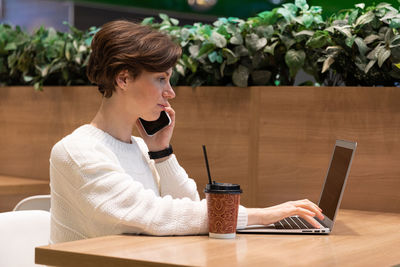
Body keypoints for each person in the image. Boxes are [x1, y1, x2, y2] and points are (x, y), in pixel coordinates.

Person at [49, 20, 324, 244]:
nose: (170, 92)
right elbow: (155, 216)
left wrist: (162, 153)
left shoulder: (141, 147)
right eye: (161, 79)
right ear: (123, 79)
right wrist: (261, 215)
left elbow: (187, 206)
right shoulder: (77, 152)